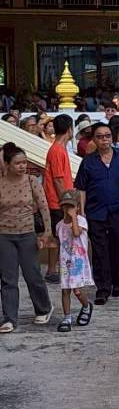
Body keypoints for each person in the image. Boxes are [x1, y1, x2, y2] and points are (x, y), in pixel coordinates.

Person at [74, 122, 119, 305]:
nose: (105, 139)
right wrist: (82, 212)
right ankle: (103, 288)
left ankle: (117, 280)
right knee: (99, 250)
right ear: (94, 139)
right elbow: (81, 188)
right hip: (95, 212)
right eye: (100, 136)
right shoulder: (88, 161)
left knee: (118, 246)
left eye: (107, 136)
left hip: (118, 209)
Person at [0, 142, 52, 332]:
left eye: (24, 162)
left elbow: (44, 206)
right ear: (7, 164)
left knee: (33, 275)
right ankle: (9, 318)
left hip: (27, 234)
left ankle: (43, 308)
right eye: (17, 163)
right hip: (4, 235)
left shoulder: (32, 181)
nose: (22, 166)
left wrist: (47, 232)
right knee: (8, 279)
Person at [54, 190, 93, 332]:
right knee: (65, 291)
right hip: (65, 262)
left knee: (77, 290)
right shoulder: (59, 225)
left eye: (71, 206)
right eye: (65, 206)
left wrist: (74, 218)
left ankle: (86, 305)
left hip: (78, 262)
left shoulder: (81, 221)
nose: (68, 209)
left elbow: (76, 233)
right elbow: (59, 244)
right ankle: (67, 317)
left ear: (77, 207)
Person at [42, 113, 75, 281]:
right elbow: (58, 180)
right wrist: (66, 201)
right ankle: (52, 270)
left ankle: (56, 269)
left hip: (58, 200)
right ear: (70, 129)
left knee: (60, 236)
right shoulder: (57, 151)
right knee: (58, 237)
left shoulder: (58, 149)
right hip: (57, 201)